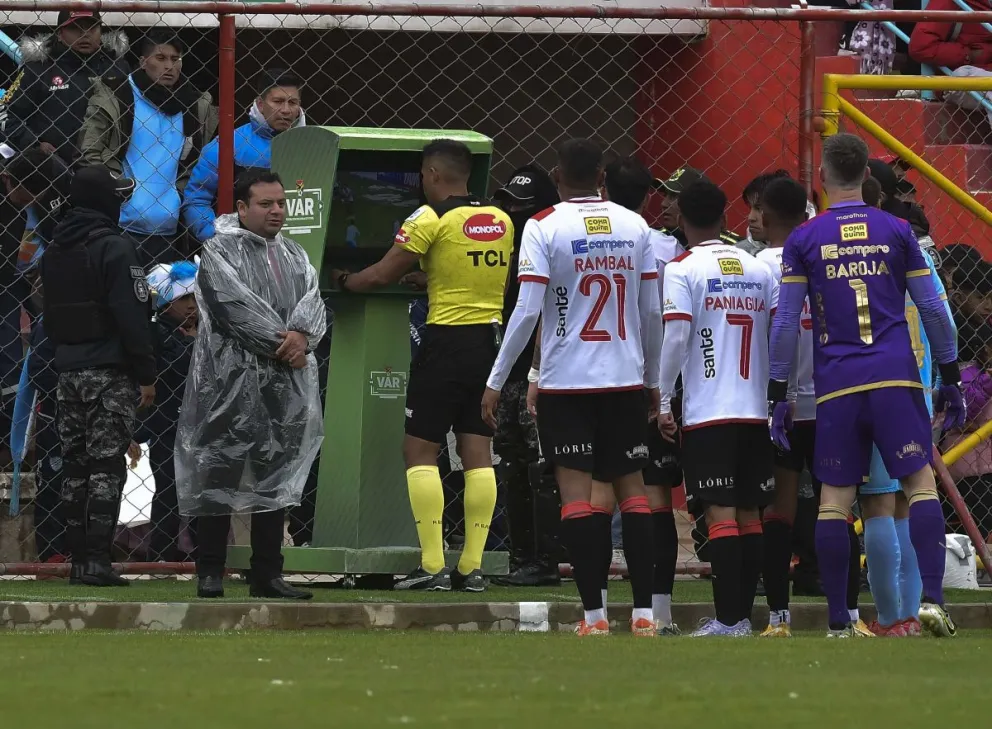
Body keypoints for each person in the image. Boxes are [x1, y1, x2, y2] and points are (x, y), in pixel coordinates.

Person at [767, 133, 965, 638]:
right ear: (866, 178)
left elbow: (787, 322)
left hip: (837, 386)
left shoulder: (804, 239)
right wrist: (950, 376)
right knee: (919, 486)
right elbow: (935, 310)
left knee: (835, 500)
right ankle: (933, 601)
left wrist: (778, 394)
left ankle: (839, 621)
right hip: (897, 377)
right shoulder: (897, 230)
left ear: (822, 178)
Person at [482, 138, 663, 637]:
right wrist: (652, 379)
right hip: (624, 377)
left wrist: (500, 378)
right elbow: (651, 310)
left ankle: (595, 617)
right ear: (603, 177)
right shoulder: (636, 225)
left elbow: (526, 310)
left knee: (576, 498)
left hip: (567, 383)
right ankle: (645, 614)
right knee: (634, 493)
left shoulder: (543, 225)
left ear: (558, 176)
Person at [329, 139, 514, 593]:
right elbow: (482, 273)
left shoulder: (429, 218)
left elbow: (379, 275)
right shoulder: (499, 219)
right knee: (477, 452)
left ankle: (431, 565)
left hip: (444, 344)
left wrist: (344, 280)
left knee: (419, 450)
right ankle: (471, 568)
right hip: (488, 343)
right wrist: (432, 276)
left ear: (431, 174)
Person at [175, 171, 325, 600]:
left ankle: (267, 573)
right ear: (241, 208)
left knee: (275, 474)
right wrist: (290, 343)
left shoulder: (295, 254)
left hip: (284, 384)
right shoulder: (219, 252)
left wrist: (304, 338)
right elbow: (232, 310)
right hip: (228, 383)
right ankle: (209, 572)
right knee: (218, 473)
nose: (277, 210)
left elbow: (314, 304)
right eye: (266, 204)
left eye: (280, 203)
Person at [658, 180, 778, 637]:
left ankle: (729, 620)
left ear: (682, 219)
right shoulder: (755, 267)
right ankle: (741, 618)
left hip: (710, 409)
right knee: (750, 515)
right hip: (755, 409)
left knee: (721, 515)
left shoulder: (682, 267)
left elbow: (676, 337)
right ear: (725, 218)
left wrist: (664, 396)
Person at [756, 176, 868, 638]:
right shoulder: (830, 255)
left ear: (763, 215)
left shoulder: (758, 266)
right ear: (808, 213)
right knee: (838, 506)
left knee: (779, 511)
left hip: (781, 405)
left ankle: (779, 617)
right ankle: (850, 617)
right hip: (830, 401)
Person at [39, 165, 155, 587]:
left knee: (75, 467)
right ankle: (97, 563)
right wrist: (146, 372)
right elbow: (132, 314)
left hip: (67, 371)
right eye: (118, 195)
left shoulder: (55, 247)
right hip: (109, 370)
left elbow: (47, 313)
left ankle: (77, 562)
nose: (122, 202)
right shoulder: (115, 246)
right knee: (107, 467)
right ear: (105, 200)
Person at [80, 31, 217, 267]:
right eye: (160, 58)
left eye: (175, 59)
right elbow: (89, 152)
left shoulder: (195, 105)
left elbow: (198, 162)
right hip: (119, 224)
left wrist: (181, 196)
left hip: (170, 226)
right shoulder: (118, 95)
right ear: (143, 62)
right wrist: (115, 193)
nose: (169, 66)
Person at [490, 164, 562, 587]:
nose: (511, 211)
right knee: (514, 466)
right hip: (512, 372)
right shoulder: (509, 244)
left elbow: (537, 313)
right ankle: (522, 558)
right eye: (507, 203)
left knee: (541, 469)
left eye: (521, 206)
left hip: (540, 375)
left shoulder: (548, 240)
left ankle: (547, 560)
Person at [183, 68, 305, 243]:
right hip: (241, 249)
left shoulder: (313, 146)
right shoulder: (228, 144)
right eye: (278, 101)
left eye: (293, 102)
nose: (286, 110)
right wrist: (217, 238)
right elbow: (196, 198)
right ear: (261, 104)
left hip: (300, 250)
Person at [4, 10, 129, 165]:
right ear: (59, 33)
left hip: (105, 166)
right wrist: (35, 145)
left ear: (100, 31)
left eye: (91, 28)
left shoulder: (117, 68)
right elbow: (11, 118)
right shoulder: (38, 68)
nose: (84, 34)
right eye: (75, 28)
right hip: (50, 168)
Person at [136, 261, 199, 562]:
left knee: (190, 486)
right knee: (169, 486)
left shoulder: (176, 331)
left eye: (195, 299)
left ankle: (183, 547)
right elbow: (176, 367)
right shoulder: (157, 331)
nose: (191, 306)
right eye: (184, 299)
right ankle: (161, 548)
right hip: (166, 424)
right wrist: (194, 344)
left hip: (183, 421)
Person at [652, 166, 739, 249]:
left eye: (674, 197)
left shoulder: (734, 246)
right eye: (665, 195)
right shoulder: (652, 238)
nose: (664, 204)